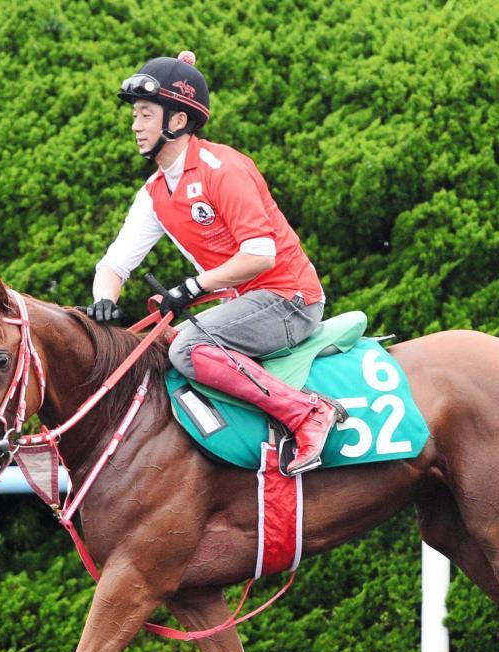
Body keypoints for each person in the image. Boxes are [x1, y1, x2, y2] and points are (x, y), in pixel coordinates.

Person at [89, 51, 338, 476]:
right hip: (246, 303)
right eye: (135, 115)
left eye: (145, 115)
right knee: (160, 347)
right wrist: (103, 302)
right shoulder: (154, 193)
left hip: (290, 299)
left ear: (178, 121)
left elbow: (260, 255)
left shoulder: (223, 168)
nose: (134, 125)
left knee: (188, 349)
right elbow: (113, 265)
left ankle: (306, 413)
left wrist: (191, 288)